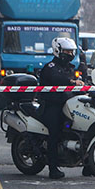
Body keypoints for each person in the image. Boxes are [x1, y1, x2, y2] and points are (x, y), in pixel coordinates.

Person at [39, 37, 84, 179]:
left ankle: (88, 165)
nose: (70, 54)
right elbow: (57, 79)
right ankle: (53, 168)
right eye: (67, 51)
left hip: (68, 105)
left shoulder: (70, 68)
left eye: (72, 51)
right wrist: (72, 82)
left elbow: (80, 82)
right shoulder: (51, 67)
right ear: (58, 50)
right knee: (55, 132)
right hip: (52, 105)